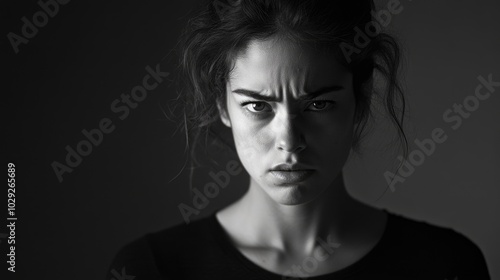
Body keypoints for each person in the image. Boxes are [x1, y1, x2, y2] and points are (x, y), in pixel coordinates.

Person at [107, 0, 490, 279]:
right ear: (222, 105)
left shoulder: (446, 265)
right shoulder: (151, 269)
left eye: (319, 103)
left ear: (360, 97)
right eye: (257, 106)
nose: (289, 141)